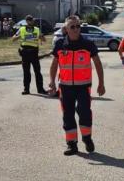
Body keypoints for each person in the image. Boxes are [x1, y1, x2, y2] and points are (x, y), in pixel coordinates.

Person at [47, 15, 105, 156]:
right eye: (72, 26)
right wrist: (52, 82)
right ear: (66, 29)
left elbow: (97, 63)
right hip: (65, 87)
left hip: (83, 86)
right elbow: (54, 64)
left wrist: (101, 83)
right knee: (68, 115)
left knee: (84, 112)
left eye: (78, 26)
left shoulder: (88, 44)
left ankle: (87, 138)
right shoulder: (60, 44)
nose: (75, 29)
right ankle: (72, 144)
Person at [11, 15, 47, 95]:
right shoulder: (22, 29)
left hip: (34, 53)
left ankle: (40, 89)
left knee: (37, 72)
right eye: (28, 20)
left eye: (31, 20)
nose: (30, 21)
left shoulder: (37, 29)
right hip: (25, 53)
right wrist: (20, 36)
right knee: (26, 72)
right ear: (26, 21)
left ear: (33, 21)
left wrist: (41, 37)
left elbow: (44, 40)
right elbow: (13, 39)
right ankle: (26, 89)